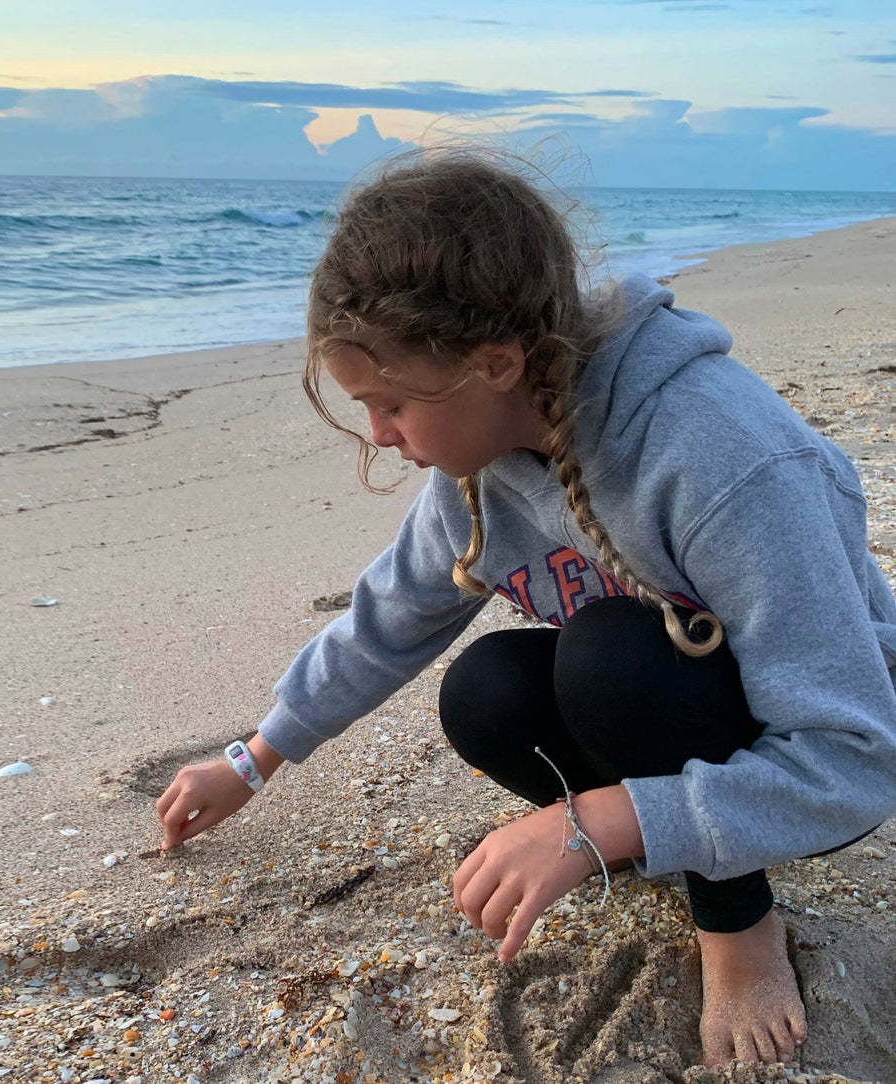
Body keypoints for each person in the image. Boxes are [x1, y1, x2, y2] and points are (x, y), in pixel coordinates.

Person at [153, 148, 896, 1069]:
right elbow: (387, 618)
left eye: (389, 405)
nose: (380, 438)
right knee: (485, 690)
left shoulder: (717, 458)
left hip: (809, 759)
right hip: (685, 724)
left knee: (607, 655)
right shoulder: (486, 461)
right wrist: (253, 758)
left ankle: (735, 922)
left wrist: (591, 823)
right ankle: (653, 827)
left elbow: (856, 757)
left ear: (495, 361)